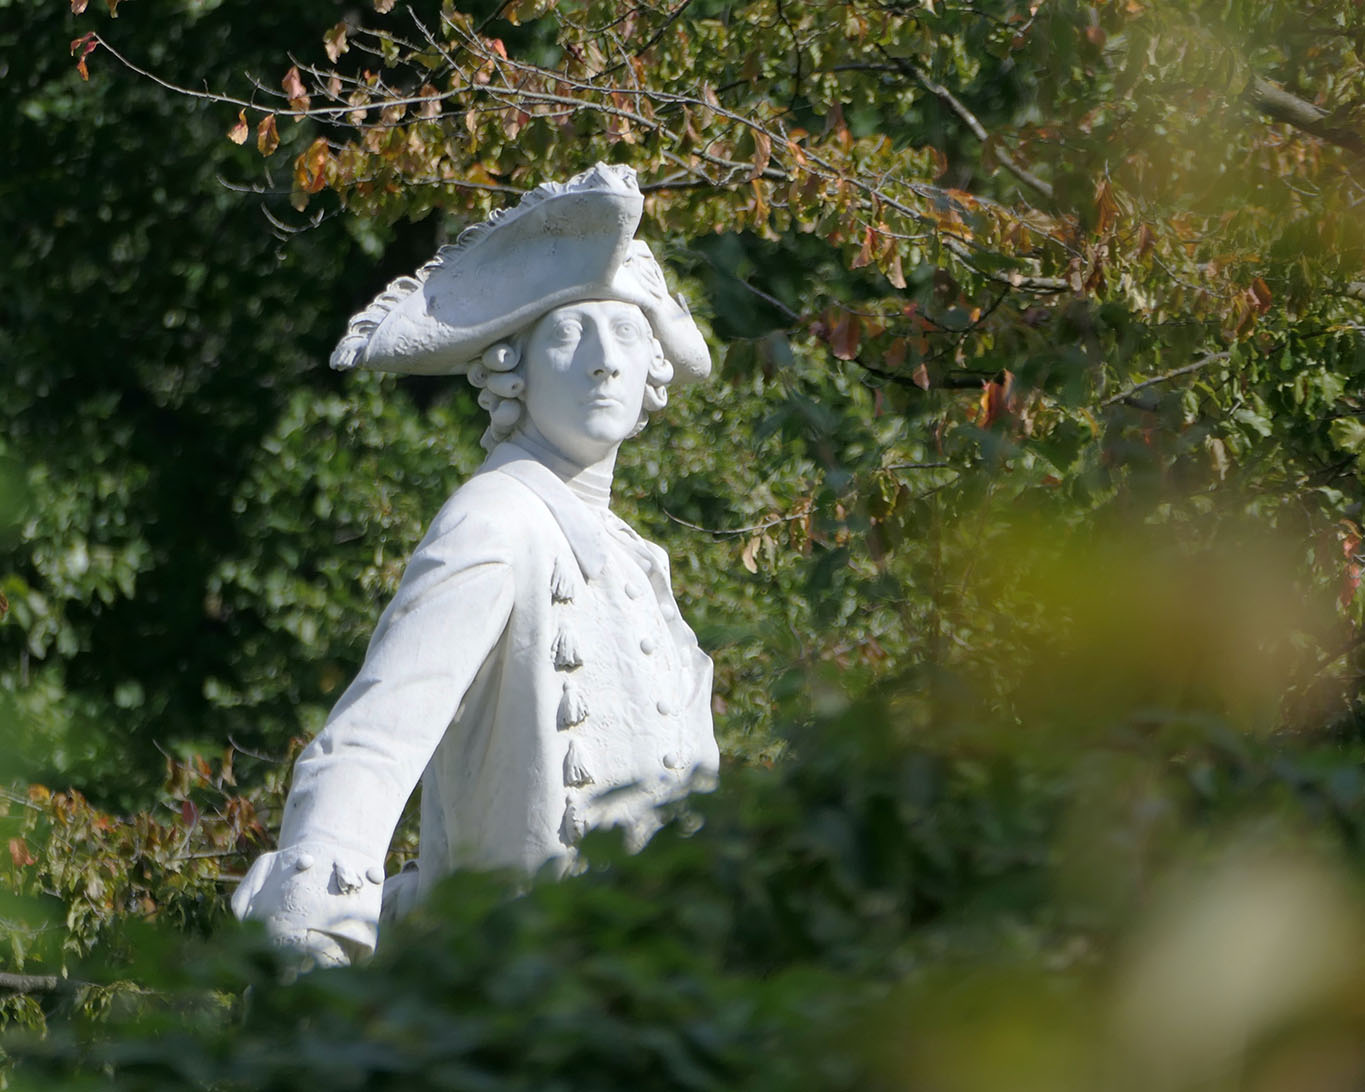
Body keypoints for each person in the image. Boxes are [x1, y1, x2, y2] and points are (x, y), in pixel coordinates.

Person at [231, 164, 719, 967]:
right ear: (511, 371)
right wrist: (317, 914)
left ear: (651, 373)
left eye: (627, 334)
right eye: (569, 335)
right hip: (517, 994)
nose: (604, 361)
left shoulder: (640, 565)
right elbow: (379, 733)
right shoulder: (497, 516)